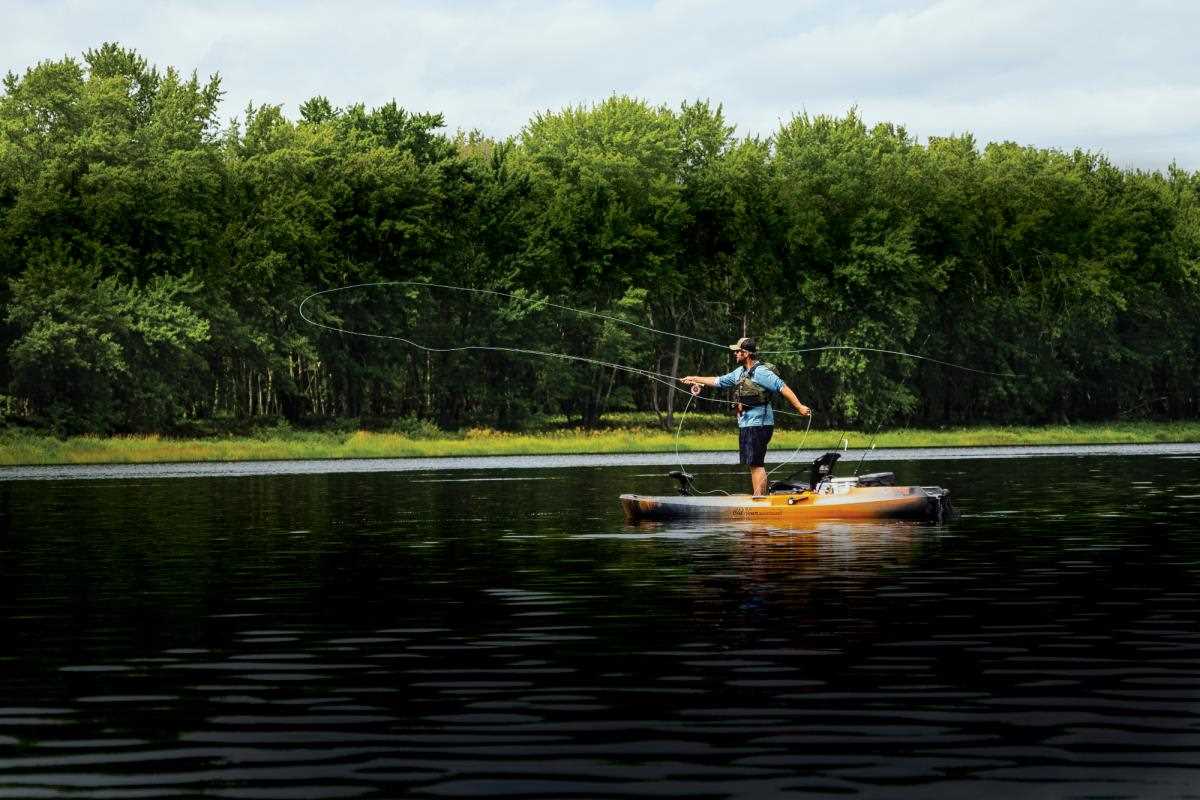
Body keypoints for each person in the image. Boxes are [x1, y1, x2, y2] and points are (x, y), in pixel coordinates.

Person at [681, 337, 812, 496]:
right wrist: (694, 378)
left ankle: (760, 500)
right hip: (746, 425)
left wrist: (799, 407)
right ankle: (760, 498)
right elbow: (718, 381)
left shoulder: (761, 372)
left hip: (760, 424)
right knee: (752, 464)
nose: (735, 353)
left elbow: (782, 387)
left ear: (747, 353)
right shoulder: (740, 372)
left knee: (756, 464)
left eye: (738, 351)